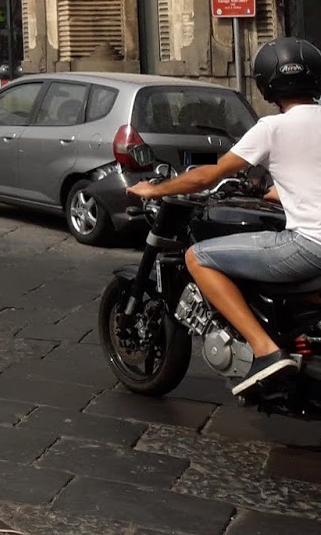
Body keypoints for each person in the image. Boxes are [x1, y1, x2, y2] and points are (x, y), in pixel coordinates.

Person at [127, 37, 321, 396]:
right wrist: (283, 191)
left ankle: (265, 351)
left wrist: (154, 189)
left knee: (197, 257)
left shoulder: (272, 128)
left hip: (310, 246)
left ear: (266, 84)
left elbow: (208, 175)